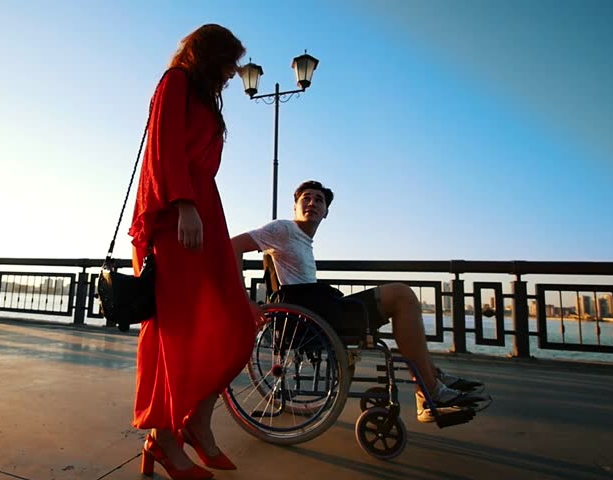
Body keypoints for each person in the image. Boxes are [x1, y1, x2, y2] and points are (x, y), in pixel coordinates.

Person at [231, 180, 488, 423]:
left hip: (318, 310)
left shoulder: (302, 239)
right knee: (402, 295)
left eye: (319, 200)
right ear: (295, 206)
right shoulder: (283, 229)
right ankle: (429, 390)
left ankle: (432, 377)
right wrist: (244, 301)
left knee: (402, 297)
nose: (312, 203)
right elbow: (233, 246)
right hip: (313, 317)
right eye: (305, 198)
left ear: (326, 212)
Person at [128, 24, 257, 480]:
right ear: (208, 56)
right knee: (173, 332)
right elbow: (163, 148)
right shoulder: (175, 82)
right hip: (175, 214)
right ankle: (163, 439)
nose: (230, 75)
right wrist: (183, 205)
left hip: (206, 211)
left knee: (238, 324)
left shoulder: (202, 96)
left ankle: (198, 423)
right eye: (226, 63)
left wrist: (197, 206)